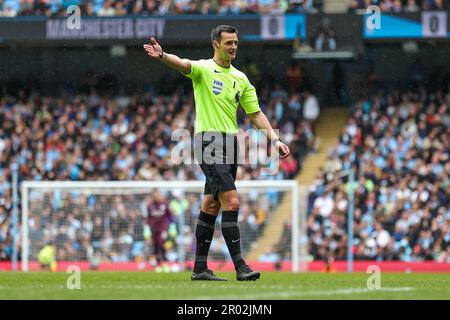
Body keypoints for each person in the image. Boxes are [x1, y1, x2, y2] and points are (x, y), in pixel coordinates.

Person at [144, 25, 290, 281]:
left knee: (211, 205)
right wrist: (164, 56)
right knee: (232, 201)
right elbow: (183, 64)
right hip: (208, 141)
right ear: (215, 44)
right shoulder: (203, 69)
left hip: (232, 144)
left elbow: (255, 114)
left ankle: (199, 268)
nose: (233, 47)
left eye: (236, 42)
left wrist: (275, 140)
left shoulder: (241, 79)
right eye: (228, 43)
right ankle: (241, 267)